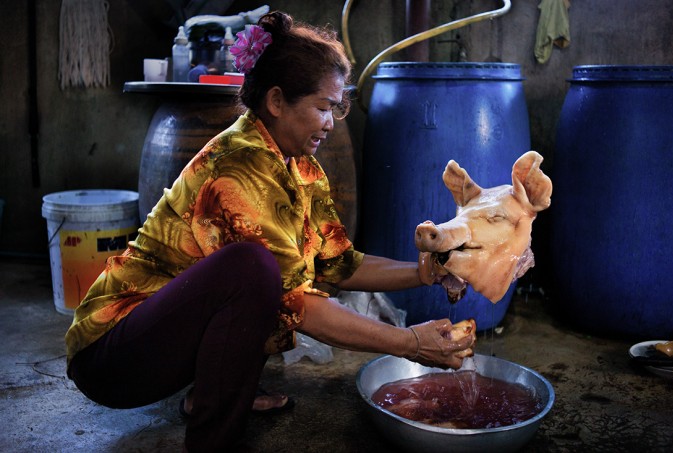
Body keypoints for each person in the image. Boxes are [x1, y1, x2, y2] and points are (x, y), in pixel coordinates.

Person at [65, 11, 476, 452]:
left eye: (336, 109)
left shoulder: (299, 165)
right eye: (322, 107)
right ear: (277, 101)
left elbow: (338, 264)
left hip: (162, 340)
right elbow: (300, 305)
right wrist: (410, 343)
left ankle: (213, 392)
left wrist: (425, 272)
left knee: (267, 273)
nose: (330, 122)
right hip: (112, 355)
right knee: (254, 269)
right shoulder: (238, 168)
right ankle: (212, 436)